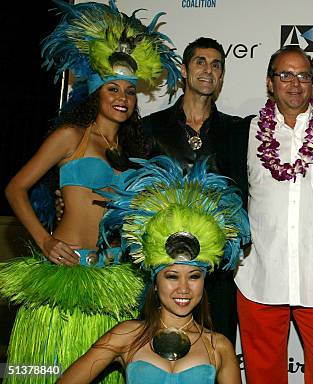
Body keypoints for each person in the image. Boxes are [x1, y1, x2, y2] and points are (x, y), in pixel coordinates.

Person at [0, 2, 180, 383]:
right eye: (112, 89)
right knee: (46, 369)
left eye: (130, 92)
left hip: (108, 278)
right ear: (95, 94)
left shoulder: (130, 157)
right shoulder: (72, 137)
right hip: (62, 277)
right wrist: (45, 241)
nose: (122, 97)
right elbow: (15, 188)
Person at [58, 156, 249, 384]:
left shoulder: (218, 347)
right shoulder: (127, 335)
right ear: (155, 281)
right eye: (171, 276)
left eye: (194, 277)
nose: (184, 288)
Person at [234, 45, 313, 383]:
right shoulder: (244, 133)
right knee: (263, 377)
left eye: (303, 75)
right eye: (285, 74)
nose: (294, 83)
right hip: (260, 277)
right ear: (270, 82)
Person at [142, 37, 248, 346]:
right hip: (164, 267)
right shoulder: (151, 127)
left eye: (216, 65)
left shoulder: (237, 130)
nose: (208, 70)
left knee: (217, 351)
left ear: (222, 76)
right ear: (185, 70)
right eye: (200, 62)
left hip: (217, 268)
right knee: (160, 350)